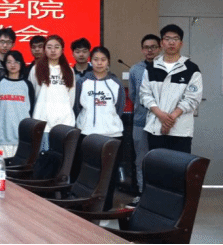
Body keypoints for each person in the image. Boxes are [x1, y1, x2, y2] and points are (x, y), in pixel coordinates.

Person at [73, 46, 125, 211]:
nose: (99, 63)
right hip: (87, 134)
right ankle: (86, 206)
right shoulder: (82, 82)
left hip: (112, 135)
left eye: (103, 60)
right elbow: (77, 107)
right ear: (91, 61)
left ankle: (105, 208)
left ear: (108, 62)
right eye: (96, 59)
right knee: (88, 173)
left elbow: (120, 107)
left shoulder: (115, 83)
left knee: (109, 174)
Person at [140, 24, 202, 154]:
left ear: (181, 43)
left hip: (181, 130)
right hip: (155, 128)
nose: (171, 42)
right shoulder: (151, 68)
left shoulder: (191, 69)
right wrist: (161, 115)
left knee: (179, 165)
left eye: (175, 39)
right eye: (167, 39)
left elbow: (192, 99)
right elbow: (145, 95)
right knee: (156, 165)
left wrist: (170, 118)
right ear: (162, 43)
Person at [28, 35, 76, 151]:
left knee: (61, 157)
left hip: (65, 122)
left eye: (56, 47)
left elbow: (71, 97)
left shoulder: (69, 70)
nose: (53, 50)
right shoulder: (36, 69)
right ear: (45, 49)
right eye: (49, 47)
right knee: (44, 157)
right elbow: (32, 94)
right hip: (42, 121)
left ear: (62, 50)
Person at [128, 33, 161, 197]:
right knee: (141, 160)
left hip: (161, 122)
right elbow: (133, 95)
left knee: (160, 161)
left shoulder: (166, 68)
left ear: (159, 48)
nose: (150, 50)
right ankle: (142, 194)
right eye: (146, 47)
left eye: (153, 47)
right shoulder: (135, 70)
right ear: (142, 50)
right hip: (140, 122)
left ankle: (158, 196)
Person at [0, 50, 35, 158]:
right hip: (2, 135)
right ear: (5, 64)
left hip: (22, 136)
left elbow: (31, 110)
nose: (12, 65)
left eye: (16, 62)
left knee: (20, 166)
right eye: (9, 62)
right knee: (2, 165)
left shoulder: (27, 84)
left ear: (21, 64)